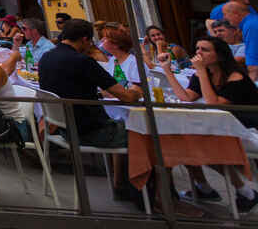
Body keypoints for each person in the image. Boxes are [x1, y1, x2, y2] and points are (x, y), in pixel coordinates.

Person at [39, 19, 143, 205]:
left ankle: (121, 184)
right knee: (144, 134)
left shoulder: (46, 58)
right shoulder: (83, 61)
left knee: (124, 126)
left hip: (63, 129)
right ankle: (150, 196)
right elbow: (126, 96)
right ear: (85, 39)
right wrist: (137, 91)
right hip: (90, 132)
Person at [157, 36, 258, 210]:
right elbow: (186, 97)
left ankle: (240, 191)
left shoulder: (235, 76)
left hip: (247, 128)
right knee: (187, 143)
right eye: (197, 49)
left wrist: (202, 72)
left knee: (200, 147)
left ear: (219, 55)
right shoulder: (203, 74)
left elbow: (215, 105)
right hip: (225, 127)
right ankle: (216, 188)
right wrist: (167, 70)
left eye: (204, 50)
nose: (198, 53)